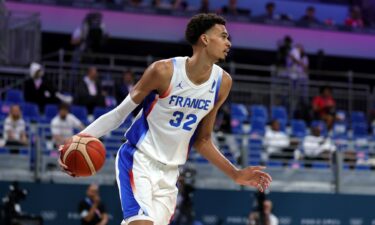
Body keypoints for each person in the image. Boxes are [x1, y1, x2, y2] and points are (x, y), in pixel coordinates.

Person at [59, 13, 272, 225]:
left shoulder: (222, 83)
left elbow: (203, 139)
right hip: (139, 158)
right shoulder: (163, 71)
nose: (229, 42)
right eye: (223, 36)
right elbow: (119, 113)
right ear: (205, 39)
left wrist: (235, 174)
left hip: (170, 173)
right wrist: (78, 139)